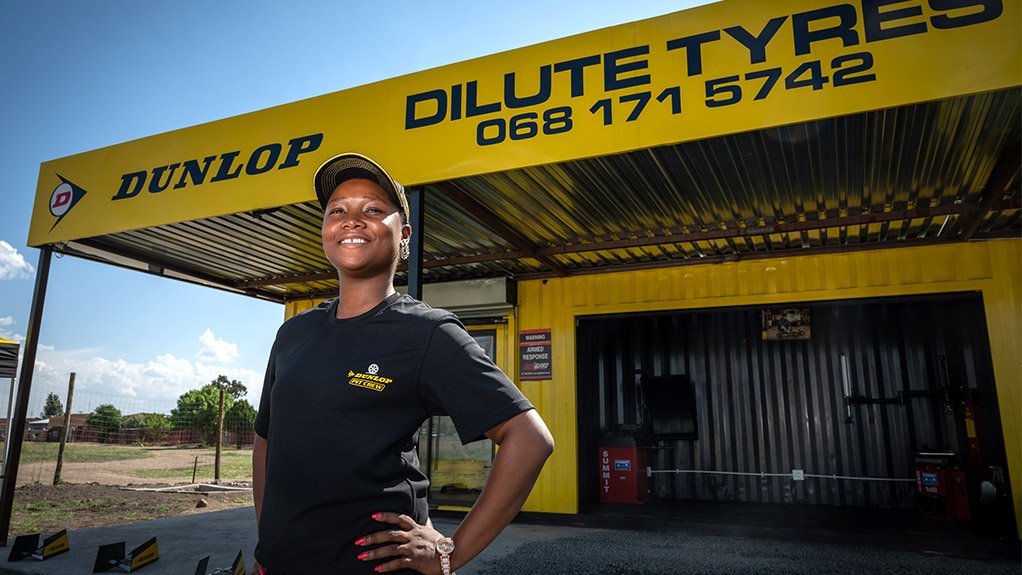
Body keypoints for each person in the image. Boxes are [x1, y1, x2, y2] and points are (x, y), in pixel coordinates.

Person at [252, 152, 555, 575]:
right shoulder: (293, 335)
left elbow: (530, 438)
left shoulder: (425, 333)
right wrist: (269, 540)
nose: (352, 219)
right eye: (337, 210)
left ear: (404, 234)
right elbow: (267, 439)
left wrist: (449, 553)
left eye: (373, 210)